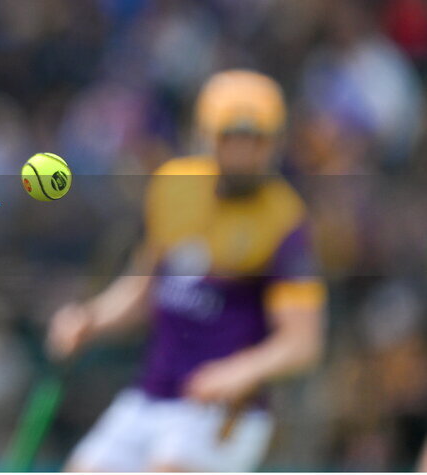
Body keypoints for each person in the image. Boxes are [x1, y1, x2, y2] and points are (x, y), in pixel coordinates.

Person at [47, 70, 326, 472]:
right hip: (152, 393)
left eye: (256, 142)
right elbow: (141, 292)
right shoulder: (173, 187)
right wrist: (89, 320)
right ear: (205, 136)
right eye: (231, 140)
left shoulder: (284, 221)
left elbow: (302, 342)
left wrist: (237, 372)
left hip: (222, 410)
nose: (243, 155)